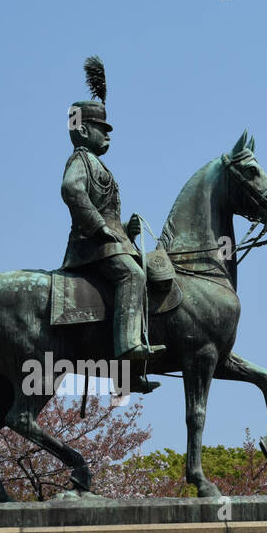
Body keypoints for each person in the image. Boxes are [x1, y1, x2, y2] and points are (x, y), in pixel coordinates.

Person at [61, 57, 164, 380]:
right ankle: (129, 345)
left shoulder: (98, 163)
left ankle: (131, 371)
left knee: (150, 275)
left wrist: (127, 233)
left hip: (112, 244)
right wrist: (100, 226)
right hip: (91, 247)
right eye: (101, 129)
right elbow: (71, 191)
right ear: (82, 130)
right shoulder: (80, 160)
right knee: (133, 276)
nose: (108, 135)